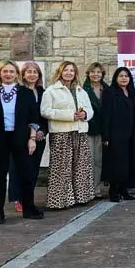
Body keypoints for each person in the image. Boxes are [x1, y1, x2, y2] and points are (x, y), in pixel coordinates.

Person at [0, 60, 43, 223]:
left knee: (26, 174)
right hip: (0, 139)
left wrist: (32, 138)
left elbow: (34, 117)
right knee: (0, 175)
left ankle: (28, 207)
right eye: (5, 71)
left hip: (21, 137)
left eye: (12, 71)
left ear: (17, 75)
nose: (8, 74)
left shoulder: (25, 93)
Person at [40, 61, 95, 210]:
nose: (69, 73)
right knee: (61, 168)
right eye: (66, 70)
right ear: (60, 72)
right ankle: (60, 200)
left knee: (81, 166)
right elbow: (45, 111)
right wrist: (70, 115)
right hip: (61, 133)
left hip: (80, 131)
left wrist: (85, 114)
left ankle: (81, 197)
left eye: (72, 70)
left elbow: (90, 110)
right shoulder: (51, 91)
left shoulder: (81, 91)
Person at [8, 61, 48, 214]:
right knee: (18, 169)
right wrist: (30, 132)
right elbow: (17, 116)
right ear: (23, 74)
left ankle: (29, 199)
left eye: (35, 72)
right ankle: (18, 198)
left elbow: (44, 115)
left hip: (39, 137)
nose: (32, 74)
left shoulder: (42, 92)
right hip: (21, 136)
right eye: (29, 71)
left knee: (33, 170)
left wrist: (42, 131)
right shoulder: (17, 92)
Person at [101, 67, 135, 203]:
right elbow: (106, 116)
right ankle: (114, 191)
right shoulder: (110, 92)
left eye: (126, 76)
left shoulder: (131, 93)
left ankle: (124, 190)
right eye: (121, 76)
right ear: (116, 78)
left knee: (128, 162)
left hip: (130, 133)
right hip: (116, 134)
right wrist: (106, 136)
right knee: (116, 163)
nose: (124, 78)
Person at [83, 63, 110, 199]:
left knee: (98, 160)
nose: (96, 74)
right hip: (87, 129)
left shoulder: (107, 89)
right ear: (88, 74)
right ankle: (87, 189)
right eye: (93, 72)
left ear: (102, 74)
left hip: (102, 130)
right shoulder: (82, 89)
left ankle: (96, 188)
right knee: (88, 160)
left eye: (98, 72)